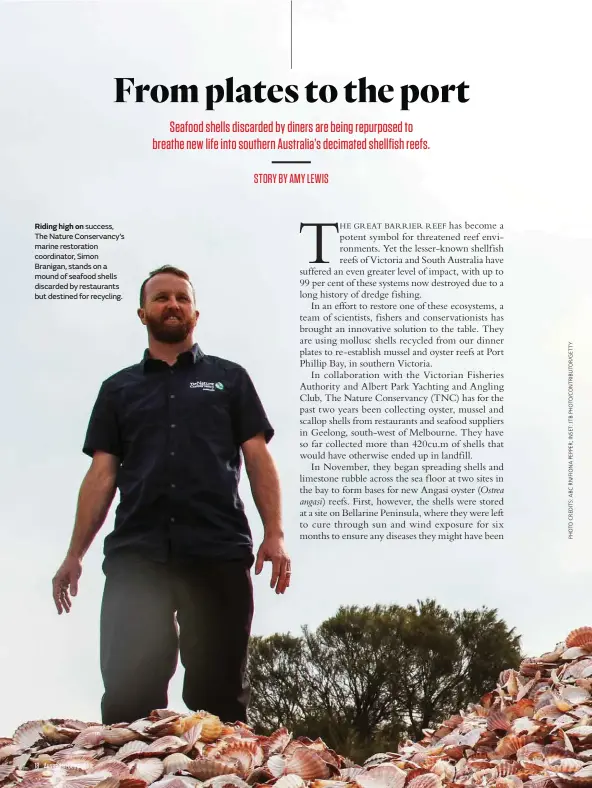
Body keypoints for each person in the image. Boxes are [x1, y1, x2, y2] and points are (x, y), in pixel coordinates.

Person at [51, 265, 290, 726]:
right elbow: (102, 474)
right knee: (127, 696)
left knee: (218, 697)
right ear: (142, 313)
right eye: (161, 297)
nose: (172, 304)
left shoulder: (229, 379)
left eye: (181, 297)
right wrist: (74, 553)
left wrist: (274, 533)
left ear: (196, 313)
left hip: (216, 551)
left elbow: (258, 458)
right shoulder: (118, 389)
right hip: (137, 556)